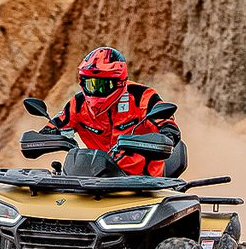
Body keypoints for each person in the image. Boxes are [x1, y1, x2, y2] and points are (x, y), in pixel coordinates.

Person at [45, 46, 180, 176]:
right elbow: (54, 126)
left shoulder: (142, 97)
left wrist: (165, 136)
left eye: (103, 85)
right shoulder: (78, 103)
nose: (95, 91)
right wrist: (43, 137)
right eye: (90, 84)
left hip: (143, 182)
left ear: (119, 82)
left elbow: (169, 127)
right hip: (95, 179)